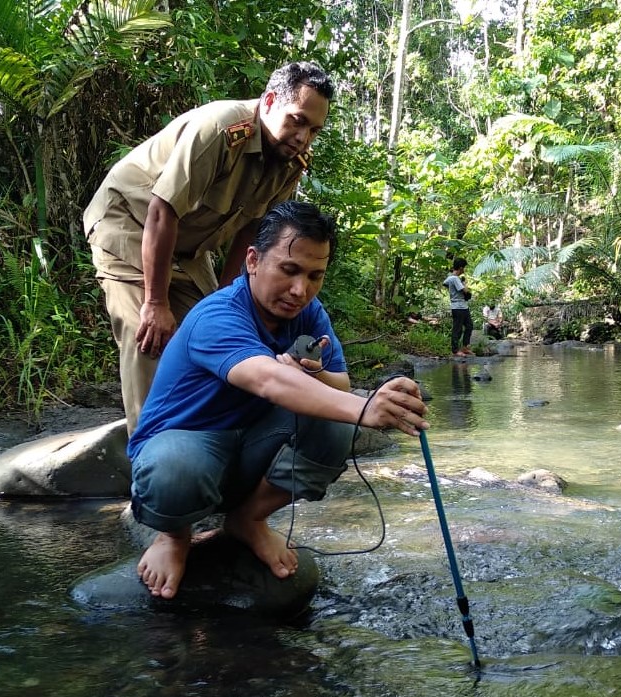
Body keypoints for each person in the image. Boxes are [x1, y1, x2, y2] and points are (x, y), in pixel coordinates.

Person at [127, 201, 429, 600]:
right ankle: (173, 536)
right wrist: (366, 407)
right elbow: (267, 379)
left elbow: (338, 386)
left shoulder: (309, 313)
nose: (300, 290)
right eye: (289, 270)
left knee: (336, 424)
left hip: (250, 448)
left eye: (314, 275)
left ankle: (248, 520)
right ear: (252, 260)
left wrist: (319, 375)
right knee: (175, 468)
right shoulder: (217, 314)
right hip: (188, 443)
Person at [83, 61, 335, 434]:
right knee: (150, 335)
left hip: (188, 246)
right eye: (296, 120)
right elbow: (161, 211)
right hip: (131, 222)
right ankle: (149, 453)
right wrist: (156, 302)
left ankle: (208, 439)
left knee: (214, 327)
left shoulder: (290, 162)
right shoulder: (220, 129)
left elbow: (253, 232)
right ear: (268, 101)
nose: (303, 137)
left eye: (313, 129)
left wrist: (228, 303)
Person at [443, 257, 474, 356]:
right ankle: (455, 350)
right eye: (464, 268)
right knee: (457, 329)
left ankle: (465, 347)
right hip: (457, 307)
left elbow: (445, 283)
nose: (464, 270)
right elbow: (465, 291)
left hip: (463, 306)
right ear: (460, 268)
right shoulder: (455, 278)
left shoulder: (451, 278)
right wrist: (464, 284)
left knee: (469, 326)